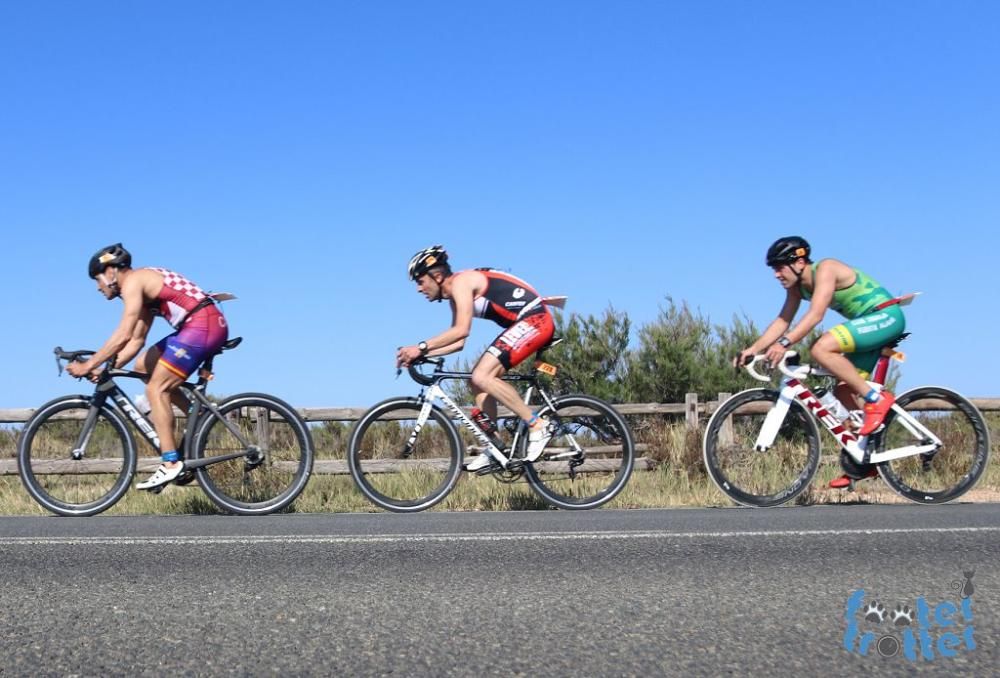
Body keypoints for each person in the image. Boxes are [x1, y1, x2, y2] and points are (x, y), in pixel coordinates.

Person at [735, 236, 906, 488]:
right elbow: (783, 320)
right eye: (773, 268)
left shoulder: (825, 268)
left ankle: (877, 400)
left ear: (800, 262)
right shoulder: (796, 288)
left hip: (885, 317)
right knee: (844, 392)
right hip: (867, 328)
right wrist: (752, 349)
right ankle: (864, 463)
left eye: (779, 266)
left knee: (821, 347)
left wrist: (784, 344)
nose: (776, 274)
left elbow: (816, 315)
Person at [67, 243, 229, 490]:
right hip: (198, 324)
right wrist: (106, 369)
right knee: (143, 365)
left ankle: (171, 463)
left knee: (156, 390)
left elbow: (122, 333)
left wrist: (89, 364)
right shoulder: (141, 288)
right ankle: (199, 414)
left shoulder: (133, 281)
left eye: (97, 279)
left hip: (201, 325)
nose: (97, 287)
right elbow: (135, 340)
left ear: (111, 272)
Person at [396, 245, 558, 471]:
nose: (418, 288)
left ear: (438, 275)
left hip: (535, 320)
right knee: (476, 380)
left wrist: (421, 346)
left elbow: (461, 330)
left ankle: (538, 425)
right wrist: (422, 354)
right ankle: (494, 447)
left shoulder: (462, 282)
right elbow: (459, 343)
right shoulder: (455, 296)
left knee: (482, 375)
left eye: (420, 281)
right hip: (526, 322)